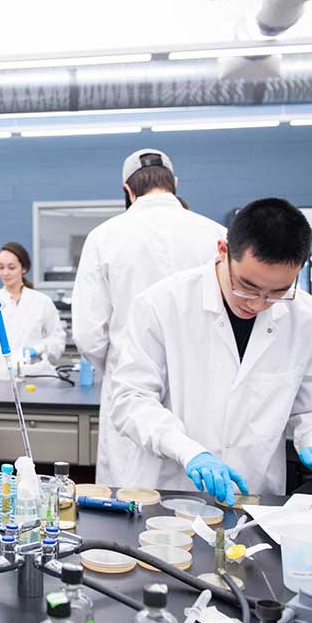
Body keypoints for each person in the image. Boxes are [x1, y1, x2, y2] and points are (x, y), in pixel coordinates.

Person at [109, 198, 312, 504]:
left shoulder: (310, 318)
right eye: (247, 287)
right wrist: (189, 451)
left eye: (278, 292)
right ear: (223, 251)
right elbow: (131, 400)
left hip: (253, 496)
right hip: (168, 493)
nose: (258, 303)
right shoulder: (162, 304)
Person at [71, 148, 228, 485]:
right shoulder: (217, 235)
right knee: (202, 506)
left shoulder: (104, 237)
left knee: (130, 507)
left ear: (128, 190)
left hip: (130, 390)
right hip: (204, 388)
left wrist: (117, 365)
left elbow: (87, 335)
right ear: (175, 184)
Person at [0, 241, 66, 362]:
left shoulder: (42, 302)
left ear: (24, 268)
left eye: (11, 267)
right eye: (1, 267)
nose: (5, 273)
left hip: (34, 372)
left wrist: (37, 349)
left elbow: (57, 340)